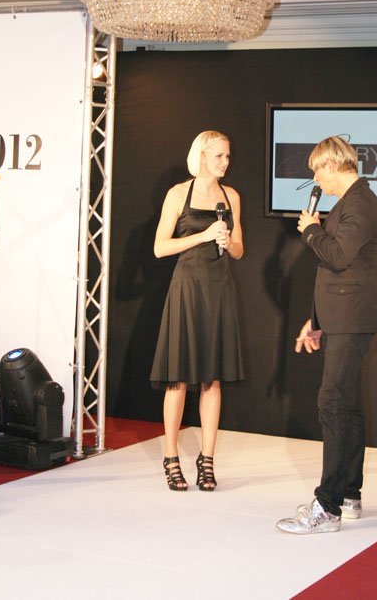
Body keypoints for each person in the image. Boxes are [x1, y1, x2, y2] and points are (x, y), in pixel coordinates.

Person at [276, 136, 377, 534]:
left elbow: (337, 257)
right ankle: (349, 493)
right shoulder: (350, 203)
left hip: (352, 319)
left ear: (334, 164)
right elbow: (341, 270)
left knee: (333, 404)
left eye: (317, 170)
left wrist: (311, 230)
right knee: (348, 407)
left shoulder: (360, 204)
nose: (316, 179)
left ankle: (327, 507)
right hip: (343, 317)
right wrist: (316, 320)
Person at [150, 130, 245, 491]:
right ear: (202, 156)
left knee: (212, 378)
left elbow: (240, 250)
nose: (225, 162)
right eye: (219, 156)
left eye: (227, 156)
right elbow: (160, 247)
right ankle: (171, 457)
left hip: (219, 289)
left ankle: (207, 459)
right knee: (177, 378)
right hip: (187, 288)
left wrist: (228, 242)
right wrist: (203, 236)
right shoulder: (178, 194)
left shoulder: (231, 196)